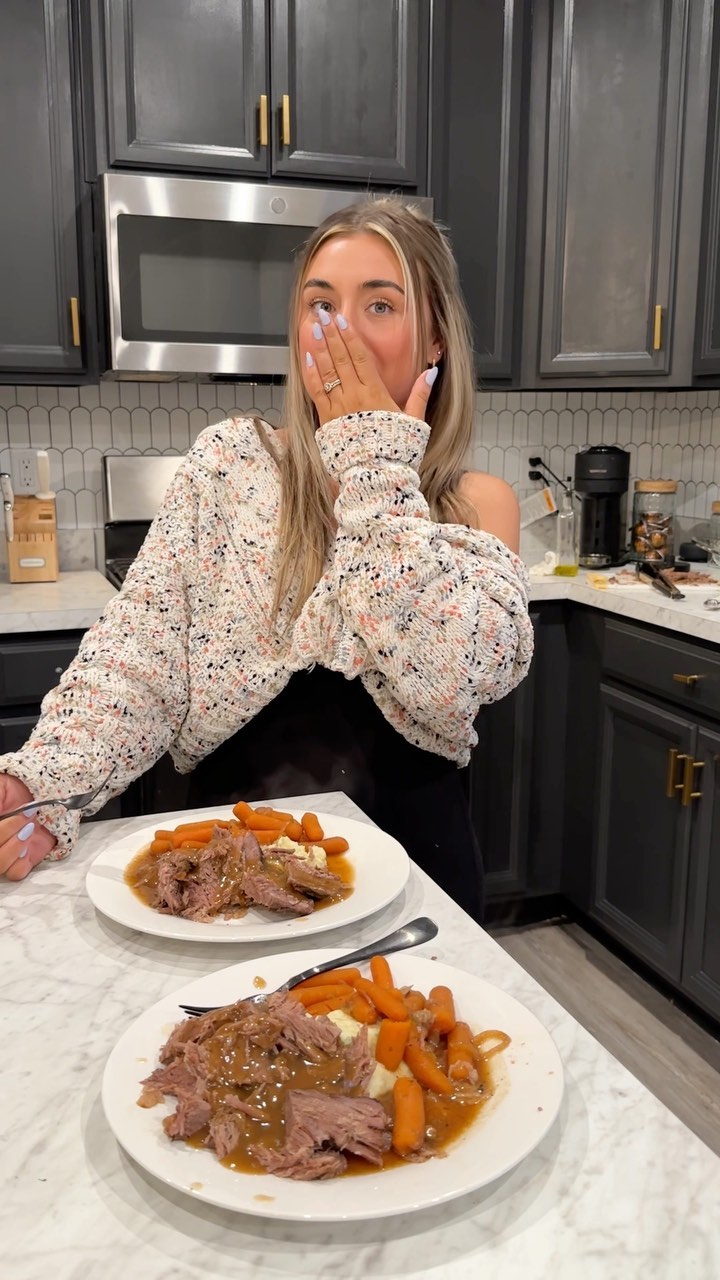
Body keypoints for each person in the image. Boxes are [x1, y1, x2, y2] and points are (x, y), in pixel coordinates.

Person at [0, 197, 533, 918]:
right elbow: (140, 657)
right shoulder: (230, 465)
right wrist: (43, 782)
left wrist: (373, 463)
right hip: (228, 871)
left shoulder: (479, 503)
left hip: (416, 872)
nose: (342, 331)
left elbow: (452, 682)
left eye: (380, 305)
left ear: (436, 340)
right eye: (322, 305)